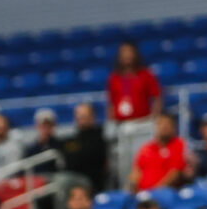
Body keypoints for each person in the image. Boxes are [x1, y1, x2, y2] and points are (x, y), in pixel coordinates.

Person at [107, 41, 161, 186]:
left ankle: (145, 188)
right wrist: (112, 123)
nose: (127, 55)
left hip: (143, 125)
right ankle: (126, 190)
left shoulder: (146, 74)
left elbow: (156, 97)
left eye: (129, 52)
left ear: (135, 54)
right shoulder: (114, 78)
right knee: (123, 164)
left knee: (142, 160)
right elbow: (111, 103)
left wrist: (153, 119)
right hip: (122, 126)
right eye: (123, 52)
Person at [129, 113, 186, 192]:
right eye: (161, 123)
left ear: (173, 128)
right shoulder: (146, 148)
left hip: (165, 193)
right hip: (142, 194)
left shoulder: (178, 144)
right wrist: (134, 186)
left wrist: (153, 192)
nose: (164, 127)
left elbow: (175, 174)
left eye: (167, 124)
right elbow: (136, 170)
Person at [62, 103, 108, 193]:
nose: (80, 119)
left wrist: (73, 154)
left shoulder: (98, 137)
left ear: (92, 117)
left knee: (62, 180)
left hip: (91, 181)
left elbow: (86, 159)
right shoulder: (74, 138)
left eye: (84, 116)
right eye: (78, 116)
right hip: (74, 178)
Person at [25, 108, 62, 174]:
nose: (46, 129)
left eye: (49, 125)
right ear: (36, 126)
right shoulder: (30, 149)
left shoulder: (61, 146)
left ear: (54, 126)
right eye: (43, 126)